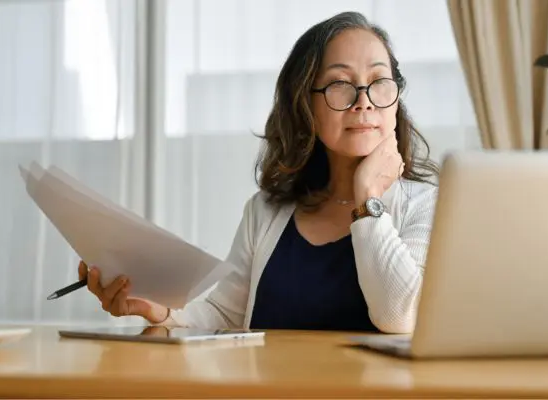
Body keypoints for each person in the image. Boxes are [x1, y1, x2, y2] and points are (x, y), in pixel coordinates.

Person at [79, 11, 439, 334]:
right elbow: (224, 314)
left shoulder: (426, 204)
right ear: (306, 106)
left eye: (379, 81)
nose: (364, 100)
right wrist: (161, 312)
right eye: (340, 84)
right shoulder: (265, 211)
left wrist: (368, 199)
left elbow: (400, 317)